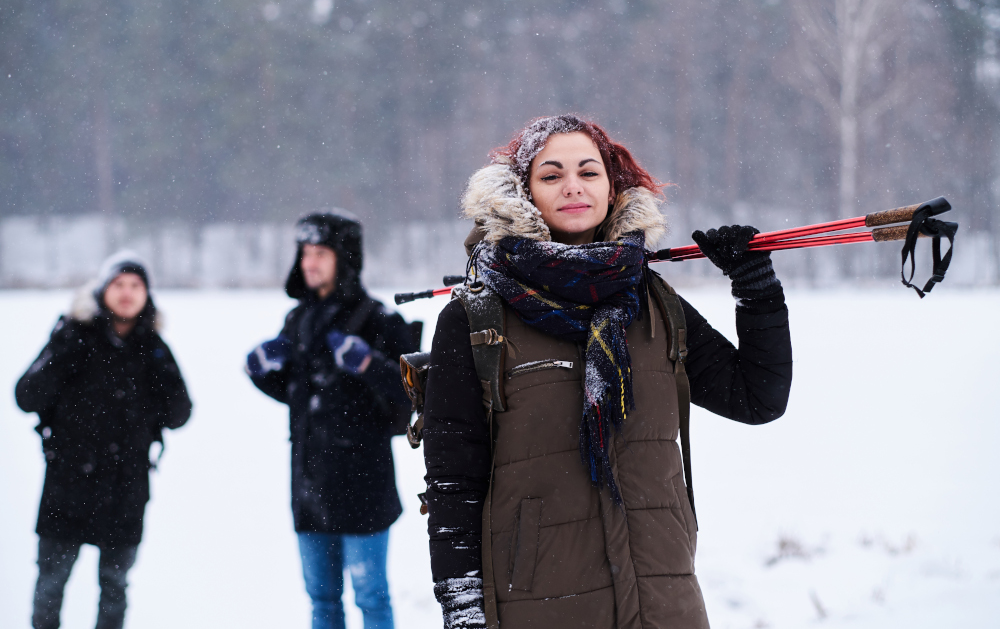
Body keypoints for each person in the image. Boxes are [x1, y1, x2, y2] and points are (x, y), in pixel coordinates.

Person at [422, 115, 793, 628]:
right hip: (539, 608)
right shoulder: (474, 320)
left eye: (588, 172)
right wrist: (462, 612)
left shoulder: (655, 304)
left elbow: (757, 398)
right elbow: (453, 484)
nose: (572, 185)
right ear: (523, 194)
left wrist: (756, 290)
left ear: (613, 186)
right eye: (551, 175)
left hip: (663, 603)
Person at [246, 210, 417, 629]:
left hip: (364, 484)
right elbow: (296, 396)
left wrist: (368, 364)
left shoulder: (379, 320)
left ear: (344, 257)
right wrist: (260, 371)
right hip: (309, 483)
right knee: (321, 599)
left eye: (320, 252)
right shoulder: (299, 320)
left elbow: (411, 394)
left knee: (371, 597)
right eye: (305, 253)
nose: (309, 263)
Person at [15, 250, 192, 629]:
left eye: (136, 286)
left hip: (125, 489)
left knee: (115, 586)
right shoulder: (73, 335)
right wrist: (61, 350)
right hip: (68, 484)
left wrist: (159, 380)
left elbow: (180, 414)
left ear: (147, 295)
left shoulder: (153, 348)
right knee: (50, 584)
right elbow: (26, 396)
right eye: (119, 285)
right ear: (102, 290)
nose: (127, 294)